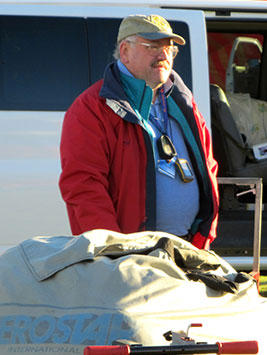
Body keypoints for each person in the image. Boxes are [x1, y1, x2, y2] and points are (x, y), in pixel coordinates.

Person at [59, 14, 219, 249]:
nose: (164, 55)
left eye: (169, 48)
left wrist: (204, 234)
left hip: (186, 248)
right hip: (130, 258)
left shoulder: (184, 103)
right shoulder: (91, 109)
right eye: (153, 46)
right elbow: (84, 187)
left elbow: (208, 168)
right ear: (125, 51)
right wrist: (112, 252)